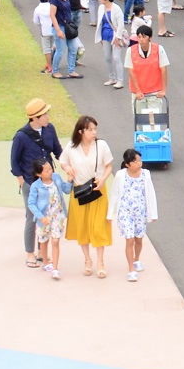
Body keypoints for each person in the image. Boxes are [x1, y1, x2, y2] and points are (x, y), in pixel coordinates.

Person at [61, 115, 114, 278]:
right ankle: (87, 259)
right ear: (81, 131)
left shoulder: (101, 145)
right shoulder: (71, 147)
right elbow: (63, 161)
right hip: (79, 191)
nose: (93, 132)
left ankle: (100, 261)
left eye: (94, 129)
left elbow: (109, 166)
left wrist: (103, 179)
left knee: (99, 226)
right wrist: (68, 168)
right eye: (90, 130)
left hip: (97, 190)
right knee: (82, 227)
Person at [11, 98, 62, 266]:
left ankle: (42, 250)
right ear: (35, 118)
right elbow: (14, 162)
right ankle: (30, 253)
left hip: (48, 182)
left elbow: (57, 150)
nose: (48, 117)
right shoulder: (21, 136)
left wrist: (67, 165)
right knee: (32, 216)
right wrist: (22, 182)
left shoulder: (50, 129)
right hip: (31, 183)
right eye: (44, 114)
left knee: (46, 214)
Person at [108, 147, 158, 283]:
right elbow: (114, 194)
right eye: (135, 161)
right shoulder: (120, 175)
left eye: (139, 161)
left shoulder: (146, 174)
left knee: (138, 239)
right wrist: (110, 214)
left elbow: (151, 194)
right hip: (125, 212)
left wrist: (153, 213)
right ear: (127, 164)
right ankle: (131, 269)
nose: (139, 163)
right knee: (129, 239)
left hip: (140, 213)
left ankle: (136, 259)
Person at [27, 157, 70, 279]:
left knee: (55, 241)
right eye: (46, 171)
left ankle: (55, 268)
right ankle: (46, 262)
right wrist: (40, 217)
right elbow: (31, 203)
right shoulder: (36, 186)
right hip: (44, 218)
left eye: (50, 168)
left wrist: (70, 181)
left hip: (58, 216)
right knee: (44, 240)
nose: (50, 172)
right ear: (39, 174)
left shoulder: (56, 177)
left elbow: (66, 190)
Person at [127, 24, 168, 95]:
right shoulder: (130, 50)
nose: (141, 40)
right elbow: (131, 72)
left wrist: (163, 90)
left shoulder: (159, 49)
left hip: (155, 91)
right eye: (139, 37)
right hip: (138, 92)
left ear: (150, 38)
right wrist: (138, 91)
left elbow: (163, 70)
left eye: (144, 37)